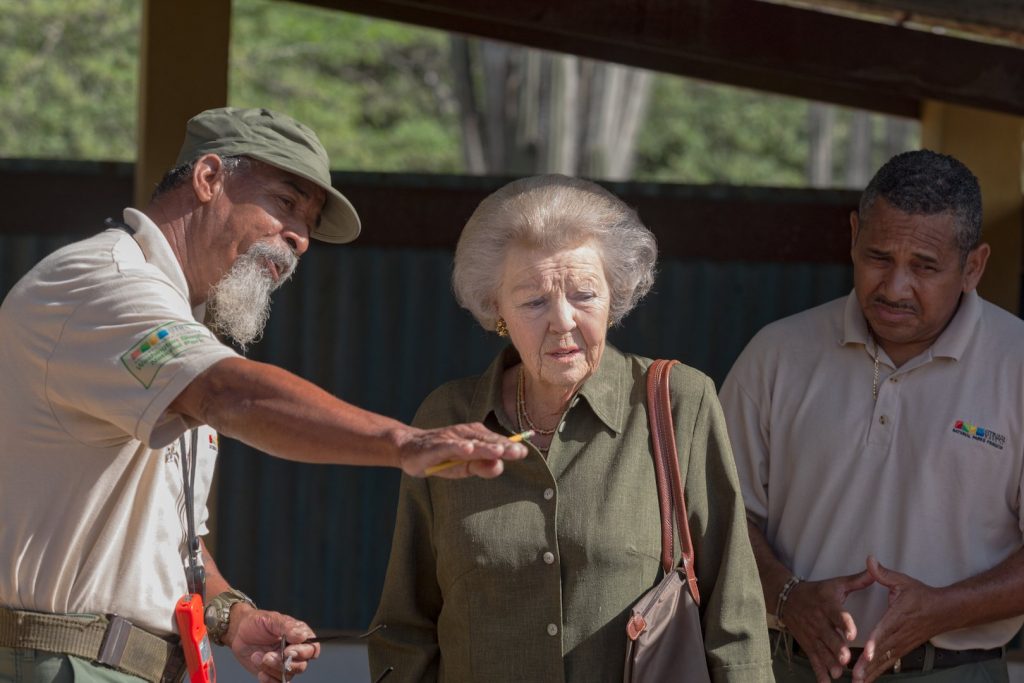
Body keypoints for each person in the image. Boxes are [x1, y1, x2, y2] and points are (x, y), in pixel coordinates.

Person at [0, 106, 526, 683]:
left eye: (309, 220)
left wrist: (230, 614)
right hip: (62, 665)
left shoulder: (172, 319)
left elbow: (158, 531)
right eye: (286, 203)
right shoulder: (101, 284)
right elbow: (230, 393)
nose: (300, 239)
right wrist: (404, 442)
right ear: (208, 179)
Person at [367, 174, 772, 682]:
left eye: (584, 294)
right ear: (496, 310)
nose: (562, 321)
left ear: (614, 296)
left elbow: (734, 616)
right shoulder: (448, 418)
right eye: (534, 301)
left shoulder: (680, 403)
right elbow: (406, 626)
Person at [719, 150, 1024, 683]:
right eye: (878, 257)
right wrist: (787, 596)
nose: (894, 287)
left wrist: (944, 608)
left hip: (955, 672)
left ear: (973, 266)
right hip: (790, 667)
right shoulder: (776, 355)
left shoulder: (1016, 364)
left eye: (924, 267)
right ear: (854, 235)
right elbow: (713, 514)